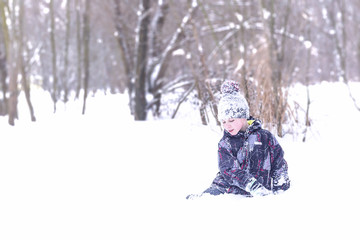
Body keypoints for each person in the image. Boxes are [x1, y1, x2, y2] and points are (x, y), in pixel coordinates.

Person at [188, 80, 290, 199]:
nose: (227, 126)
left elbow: (279, 164)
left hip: (258, 195)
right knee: (202, 202)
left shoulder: (265, 137)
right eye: (223, 121)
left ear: (243, 117)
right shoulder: (225, 143)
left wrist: (281, 192)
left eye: (231, 120)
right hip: (227, 191)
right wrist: (252, 185)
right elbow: (229, 170)